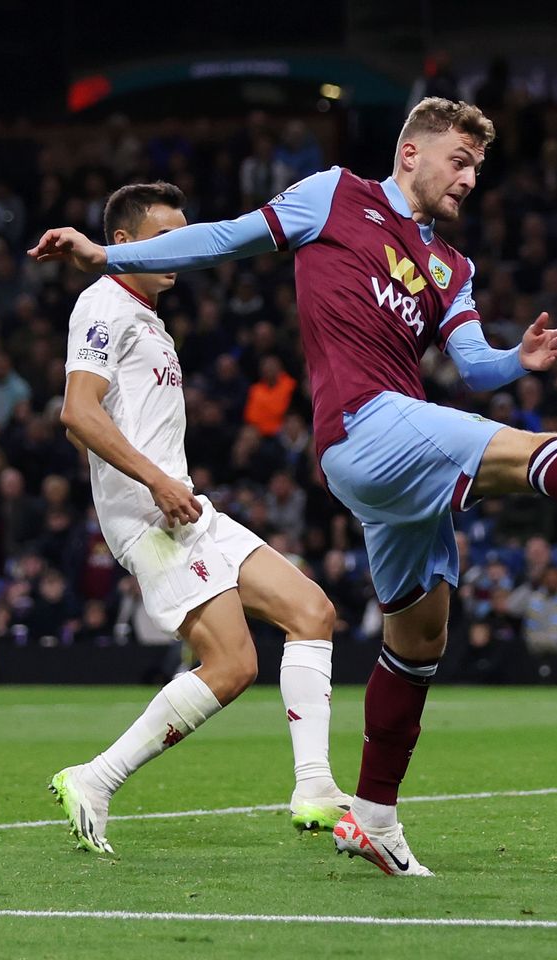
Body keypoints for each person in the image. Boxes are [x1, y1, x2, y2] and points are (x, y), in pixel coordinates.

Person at [30, 97, 557, 877]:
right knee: (529, 453)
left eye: (478, 170)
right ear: (412, 155)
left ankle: (374, 817)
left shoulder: (452, 268)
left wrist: (515, 360)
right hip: (363, 426)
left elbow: (472, 363)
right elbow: (224, 240)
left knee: (419, 637)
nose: (469, 180)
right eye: (459, 163)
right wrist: (103, 257)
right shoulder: (334, 196)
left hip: (401, 448)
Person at [45, 182, 349, 859]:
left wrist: (137, 462)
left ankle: (316, 786)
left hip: (181, 505)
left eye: (185, 233)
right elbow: (77, 413)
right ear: (122, 243)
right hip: (153, 518)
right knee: (234, 663)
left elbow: (90, 424)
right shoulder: (102, 301)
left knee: (312, 610)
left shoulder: (147, 317)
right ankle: (96, 779)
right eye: (162, 235)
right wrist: (150, 478)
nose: (177, 248)